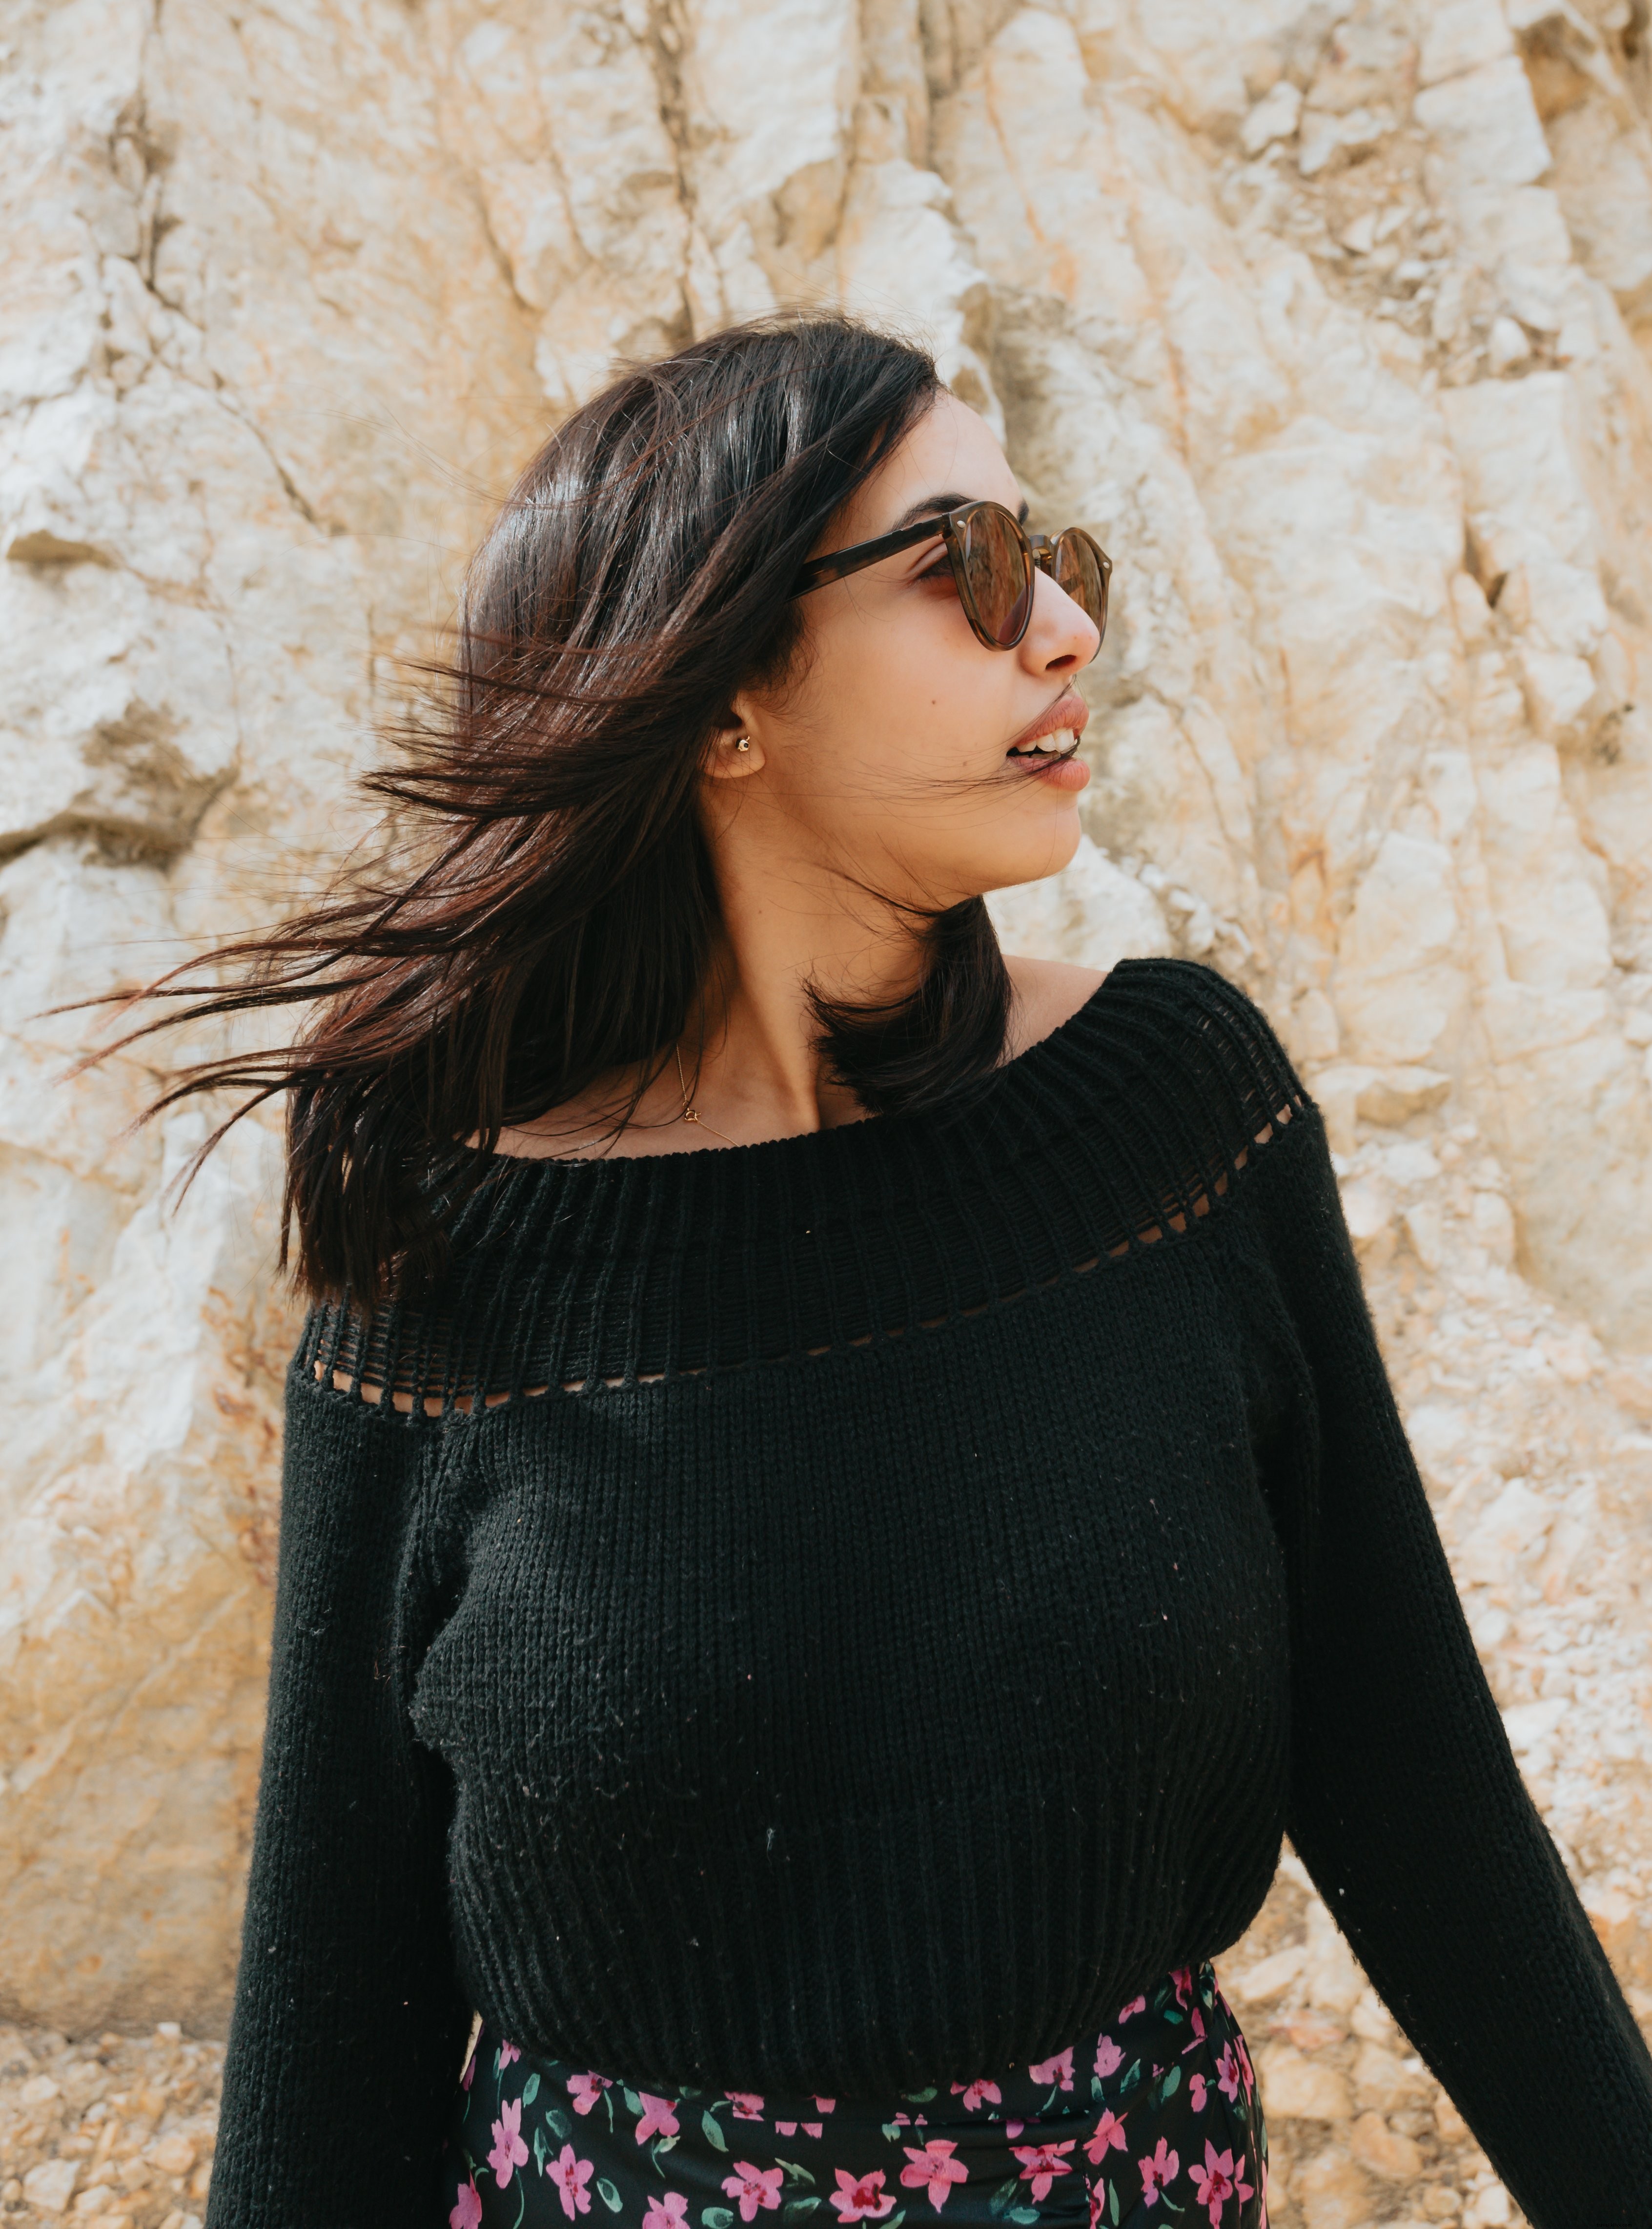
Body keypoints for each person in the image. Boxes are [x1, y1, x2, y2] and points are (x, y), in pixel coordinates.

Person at [142, 316, 1648, 2229]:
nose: (1064, 631)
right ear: (720, 698)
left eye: (1058, 561)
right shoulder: (447, 1275)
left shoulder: (1174, 1120)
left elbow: (1416, 1792)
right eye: (971, 569)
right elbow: (334, 2024)